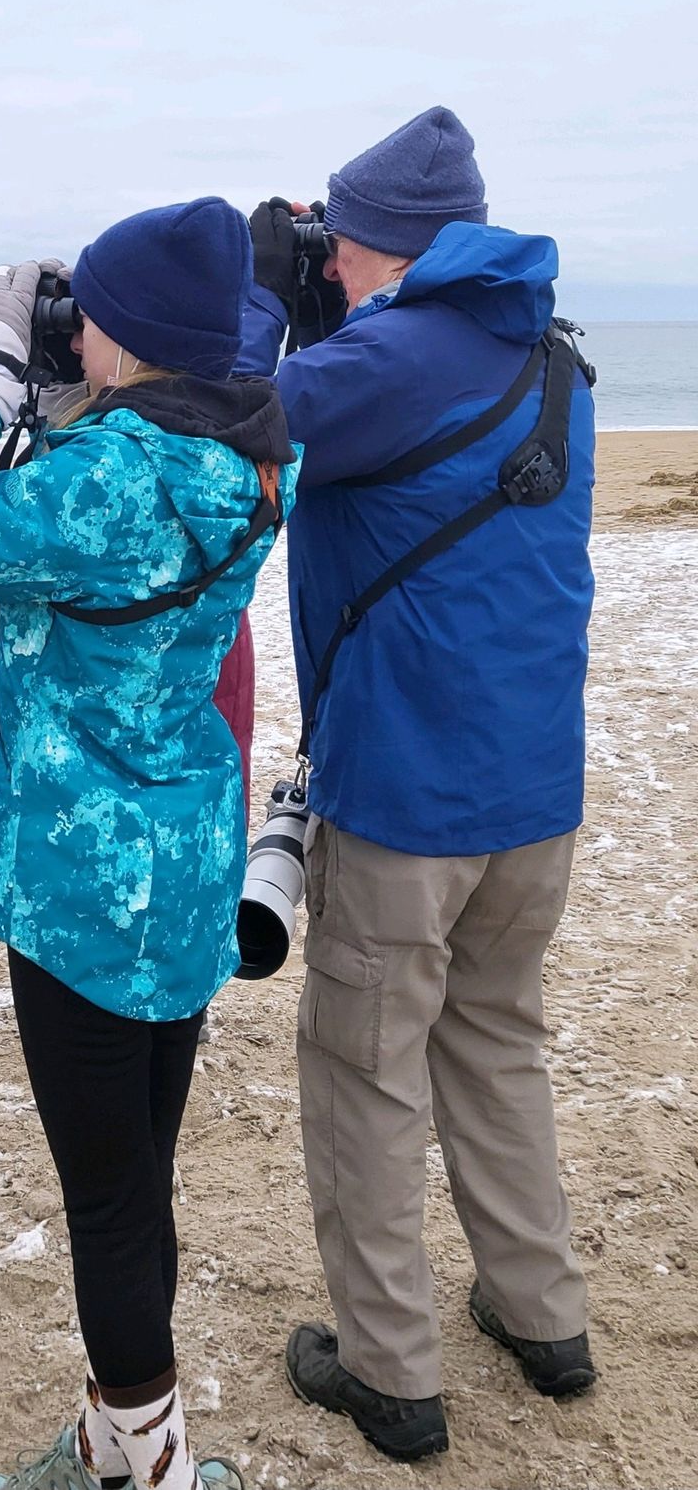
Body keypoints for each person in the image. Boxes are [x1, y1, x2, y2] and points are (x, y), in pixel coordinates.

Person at [0, 198, 297, 1490]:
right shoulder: (257, 451)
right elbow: (112, 507)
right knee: (136, 1180)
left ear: (136, 337)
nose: (73, 324)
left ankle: (145, 1475)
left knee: (108, 1206)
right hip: (187, 869)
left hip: (84, 892)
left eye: (88, 311)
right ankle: (122, 1450)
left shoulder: (110, 483)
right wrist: (69, 396)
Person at [237, 107, 598, 1461]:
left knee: (364, 1068)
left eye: (336, 247)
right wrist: (327, 306)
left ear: (374, 244)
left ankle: (390, 1371)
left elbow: (236, 424)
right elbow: (395, 410)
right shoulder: (549, 357)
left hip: (402, 801)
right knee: (498, 1042)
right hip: (532, 794)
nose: (324, 266)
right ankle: (541, 1315)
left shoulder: (381, 353)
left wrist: (254, 302)